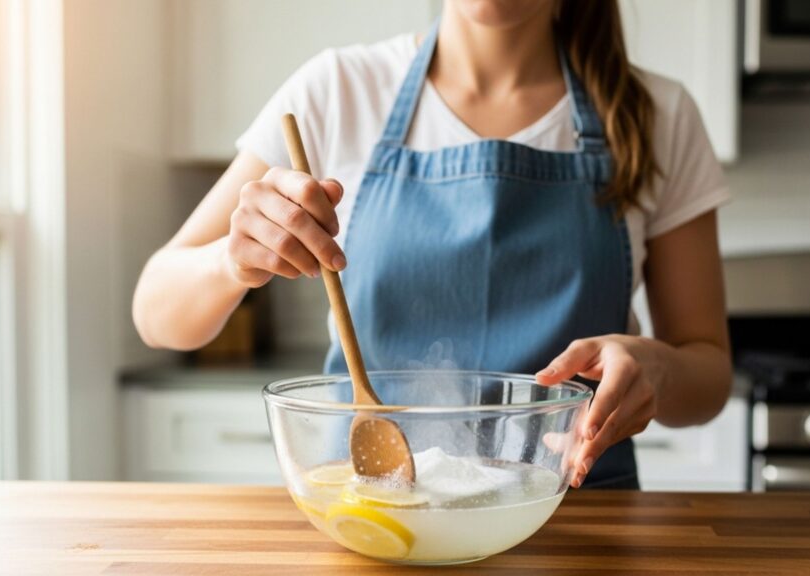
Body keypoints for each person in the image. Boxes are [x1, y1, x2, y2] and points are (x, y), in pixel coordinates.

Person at [133, 0, 732, 490]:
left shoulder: (658, 116)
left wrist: (656, 369)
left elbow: (707, 374)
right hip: (374, 516)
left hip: (579, 526)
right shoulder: (338, 91)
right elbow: (157, 313)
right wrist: (231, 260)